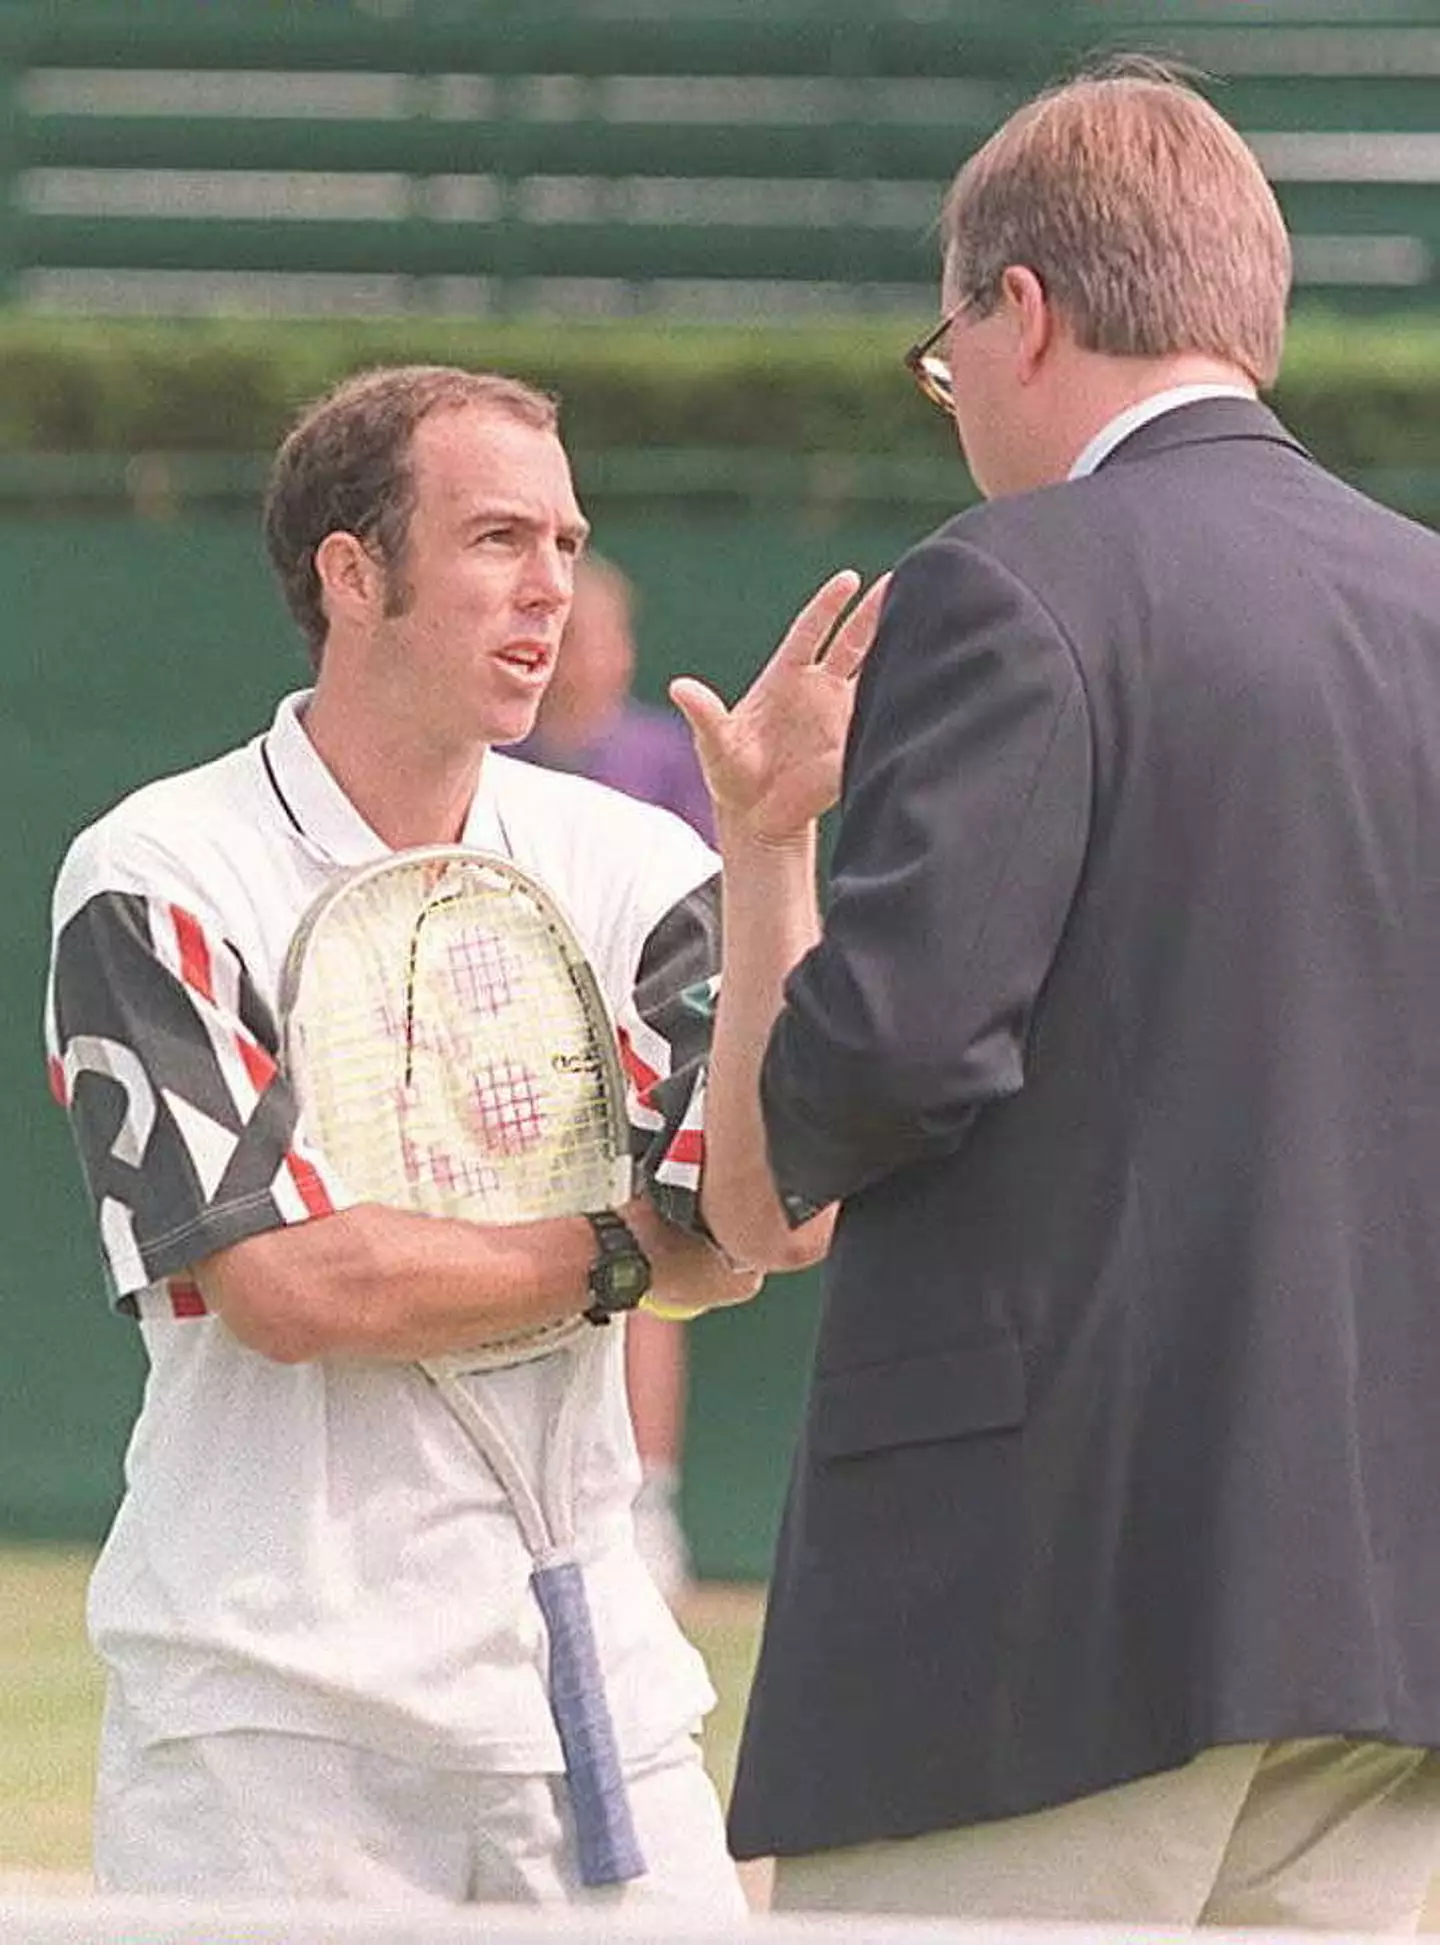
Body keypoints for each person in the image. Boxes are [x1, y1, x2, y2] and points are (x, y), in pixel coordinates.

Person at [672, 60, 1440, 1935]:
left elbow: (872, 1079)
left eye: (945, 363)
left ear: (1019, 310)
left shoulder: (1011, 585)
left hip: (1038, 1614)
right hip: (1391, 1614)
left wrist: (773, 863)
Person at [43, 364, 878, 1910]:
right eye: (499, 538)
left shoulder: (637, 861)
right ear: (352, 575)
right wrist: (635, 1245)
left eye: (566, 542)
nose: (549, 586)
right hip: (265, 1729)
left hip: (600, 1706)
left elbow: (774, 1221)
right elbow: (295, 1290)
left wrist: (771, 851)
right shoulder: (156, 873)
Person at [509, 552, 714, 1605]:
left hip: (639, 1068)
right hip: (512, 1069)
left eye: (601, 635)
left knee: (644, 1277)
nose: (586, 656)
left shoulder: (664, 760)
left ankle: (644, 1505)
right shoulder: (496, 761)